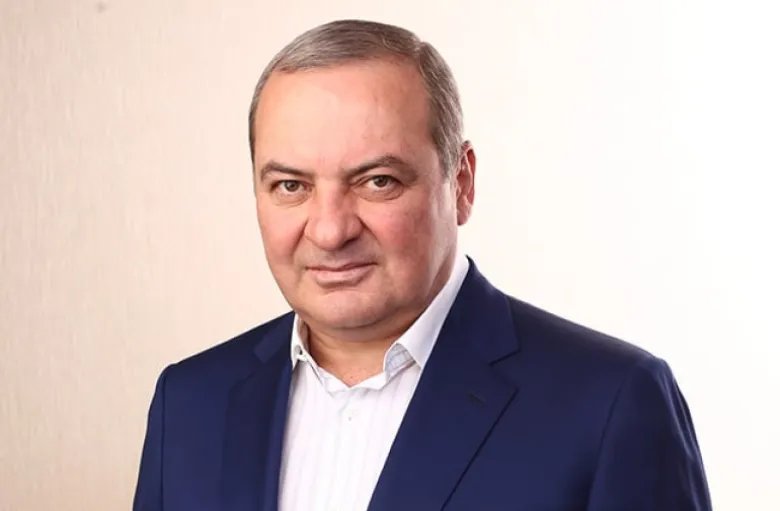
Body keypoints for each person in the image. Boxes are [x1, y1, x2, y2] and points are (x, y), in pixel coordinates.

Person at [133, 19, 711, 511]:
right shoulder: (188, 404)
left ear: (461, 183)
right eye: (291, 185)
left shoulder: (611, 404)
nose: (330, 230)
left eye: (377, 181)